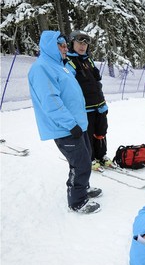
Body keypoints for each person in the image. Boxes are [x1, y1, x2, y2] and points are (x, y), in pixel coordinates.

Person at [28, 30, 101, 214]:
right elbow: (51, 102)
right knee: (81, 163)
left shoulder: (61, 66)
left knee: (85, 157)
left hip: (77, 124)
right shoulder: (42, 68)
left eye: (65, 44)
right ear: (49, 46)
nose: (64, 47)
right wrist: (70, 124)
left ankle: (82, 187)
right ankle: (77, 201)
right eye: (60, 44)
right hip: (65, 128)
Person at [65, 30, 113, 171]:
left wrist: (102, 103)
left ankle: (101, 155)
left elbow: (96, 83)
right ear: (72, 43)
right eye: (79, 43)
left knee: (101, 132)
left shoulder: (88, 60)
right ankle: (90, 158)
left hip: (99, 105)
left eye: (85, 44)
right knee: (88, 135)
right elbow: (70, 89)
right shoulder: (69, 63)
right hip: (85, 108)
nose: (82, 46)